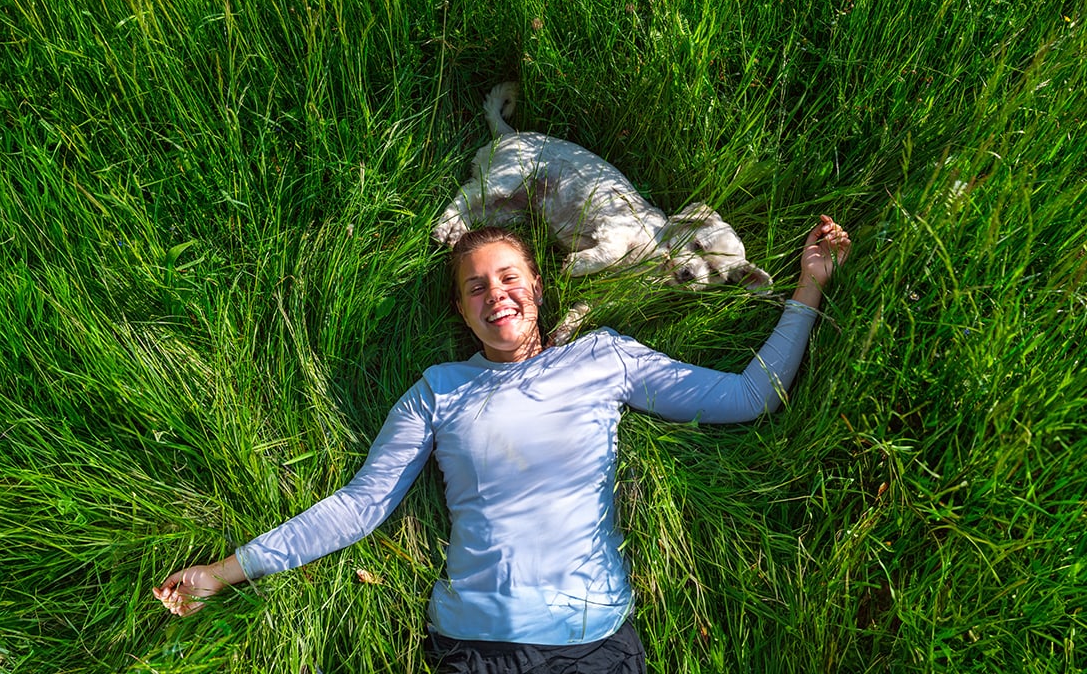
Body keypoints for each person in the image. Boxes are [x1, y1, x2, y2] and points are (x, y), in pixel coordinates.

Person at [154, 215, 851, 673]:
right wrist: (223, 572)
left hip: (595, 647)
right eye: (475, 287)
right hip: (475, 648)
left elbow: (749, 398)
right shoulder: (439, 389)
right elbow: (361, 506)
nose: (497, 296)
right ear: (461, 309)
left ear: (538, 288)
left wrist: (809, 284)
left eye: (509, 277)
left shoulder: (604, 360)